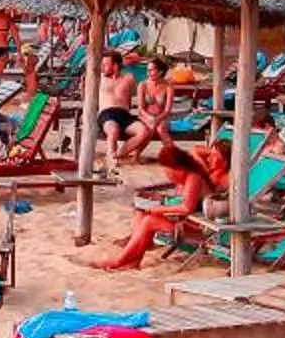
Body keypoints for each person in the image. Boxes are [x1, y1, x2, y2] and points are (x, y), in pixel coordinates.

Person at [94, 141, 222, 270]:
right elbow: (182, 201)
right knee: (141, 215)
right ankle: (133, 262)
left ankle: (118, 262)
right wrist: (159, 200)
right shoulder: (185, 178)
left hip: (201, 231)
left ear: (177, 168)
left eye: (168, 171)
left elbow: (186, 208)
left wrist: (157, 209)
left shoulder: (194, 178)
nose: (168, 175)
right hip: (187, 222)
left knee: (149, 221)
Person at [91, 52, 141, 174]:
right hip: (107, 113)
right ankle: (111, 160)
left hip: (124, 113)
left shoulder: (129, 78)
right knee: (113, 131)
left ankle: (116, 155)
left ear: (115, 65)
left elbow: (133, 95)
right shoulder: (98, 78)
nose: (103, 67)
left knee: (144, 131)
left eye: (106, 64)